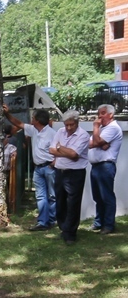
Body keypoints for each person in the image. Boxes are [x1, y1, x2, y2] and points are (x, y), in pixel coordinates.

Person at [3, 106, 56, 231]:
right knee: (41, 195)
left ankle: (52, 220)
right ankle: (43, 222)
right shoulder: (33, 130)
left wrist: (55, 162)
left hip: (49, 167)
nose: (31, 119)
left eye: (33, 117)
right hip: (38, 168)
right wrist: (7, 114)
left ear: (37, 120)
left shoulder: (52, 134)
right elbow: (18, 123)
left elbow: (59, 148)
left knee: (52, 195)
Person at [50, 109, 90, 246]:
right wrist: (64, 151)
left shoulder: (83, 135)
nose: (68, 128)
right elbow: (51, 150)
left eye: (71, 125)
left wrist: (59, 148)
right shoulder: (60, 132)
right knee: (60, 201)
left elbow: (74, 155)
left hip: (75, 173)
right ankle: (63, 229)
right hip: (60, 171)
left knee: (73, 203)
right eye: (66, 124)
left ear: (77, 123)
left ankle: (71, 233)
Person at [87, 103, 122, 234]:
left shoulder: (113, 128)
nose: (99, 116)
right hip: (96, 166)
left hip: (105, 166)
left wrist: (95, 128)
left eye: (102, 113)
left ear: (111, 114)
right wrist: (100, 142)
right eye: (99, 113)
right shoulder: (103, 128)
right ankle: (99, 222)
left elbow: (96, 142)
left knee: (106, 196)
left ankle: (108, 225)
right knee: (98, 197)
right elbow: (90, 144)